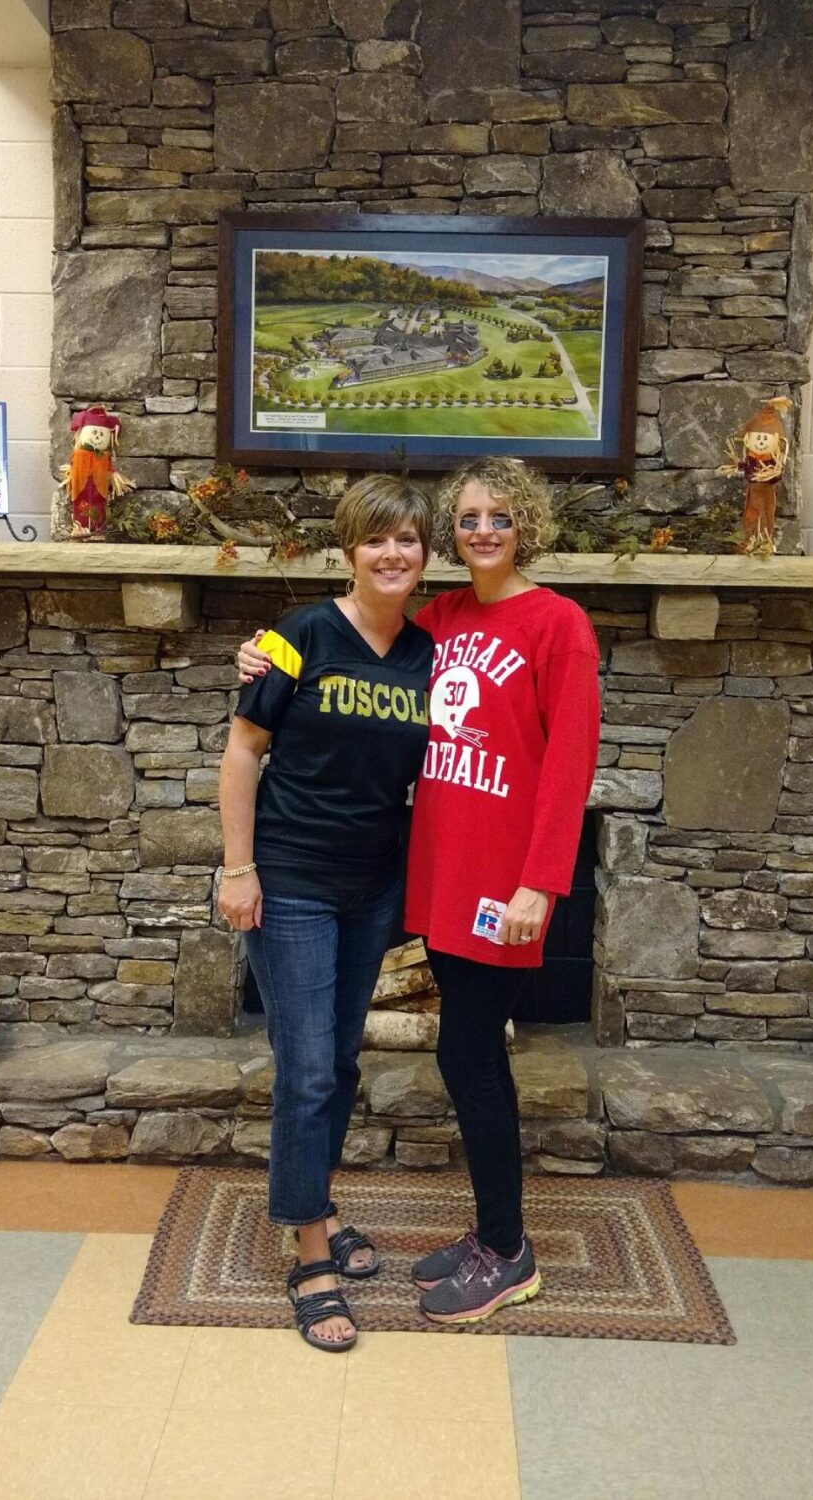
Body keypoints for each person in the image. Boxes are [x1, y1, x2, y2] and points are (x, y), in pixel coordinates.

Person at [239, 457, 600, 1326]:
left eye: (499, 517)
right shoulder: (439, 620)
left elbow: (568, 765)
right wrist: (259, 654)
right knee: (446, 1053)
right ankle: (485, 1237)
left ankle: (506, 1250)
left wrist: (541, 884)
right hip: (436, 879)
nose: (482, 531)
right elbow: (347, 640)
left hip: (504, 889)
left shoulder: (558, 624)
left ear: (526, 525)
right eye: (467, 518)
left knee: (470, 1054)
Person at [217, 473, 434, 1352]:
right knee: (307, 1069)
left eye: (407, 539)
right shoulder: (299, 633)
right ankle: (310, 1256)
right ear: (349, 550)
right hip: (291, 881)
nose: (391, 553)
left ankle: (318, 1205)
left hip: (372, 886)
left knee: (337, 1062)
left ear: (425, 553)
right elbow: (242, 751)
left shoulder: (429, 653)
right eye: (375, 538)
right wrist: (238, 870)